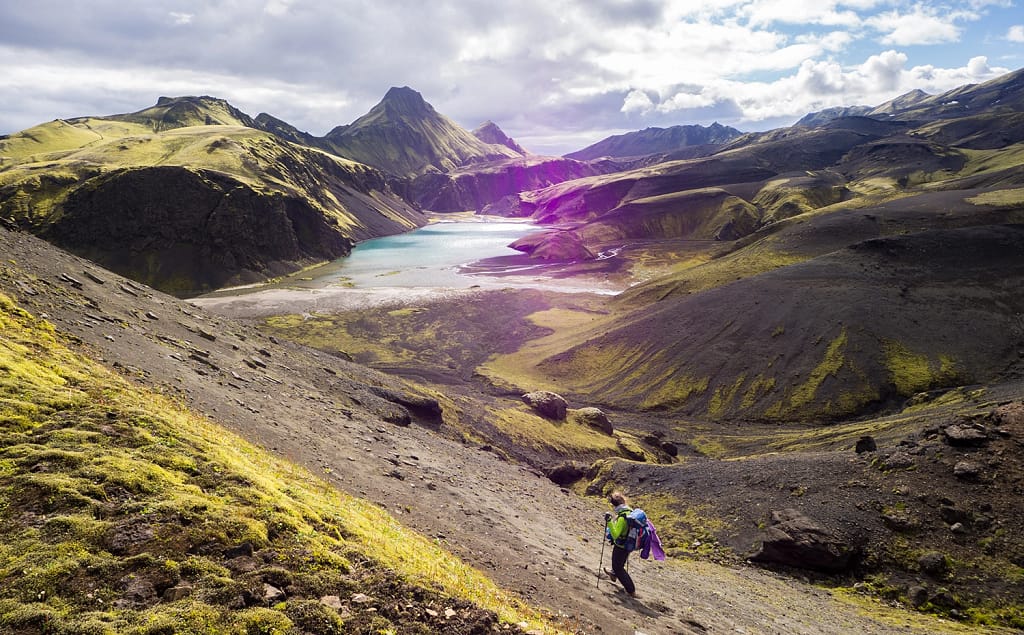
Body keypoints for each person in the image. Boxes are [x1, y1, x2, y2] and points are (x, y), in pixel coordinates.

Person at [604, 491, 636, 597]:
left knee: (618, 567)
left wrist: (609, 521)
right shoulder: (629, 511)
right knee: (619, 565)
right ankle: (613, 574)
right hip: (628, 544)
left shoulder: (622, 516)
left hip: (621, 545)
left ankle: (631, 590)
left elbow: (616, 534)